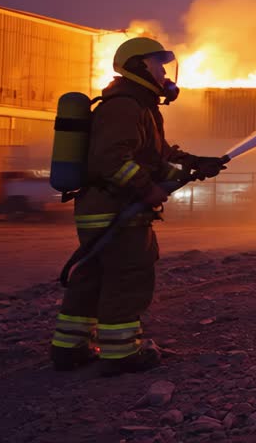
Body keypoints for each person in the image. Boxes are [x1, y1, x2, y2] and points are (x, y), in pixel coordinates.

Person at [49, 37, 228, 375]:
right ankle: (121, 354)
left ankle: (69, 348)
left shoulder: (138, 106)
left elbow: (158, 158)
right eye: (157, 65)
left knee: (93, 276)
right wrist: (146, 189)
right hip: (116, 210)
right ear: (137, 66)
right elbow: (111, 160)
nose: (164, 73)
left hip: (101, 209)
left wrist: (195, 164)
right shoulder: (126, 106)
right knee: (128, 276)